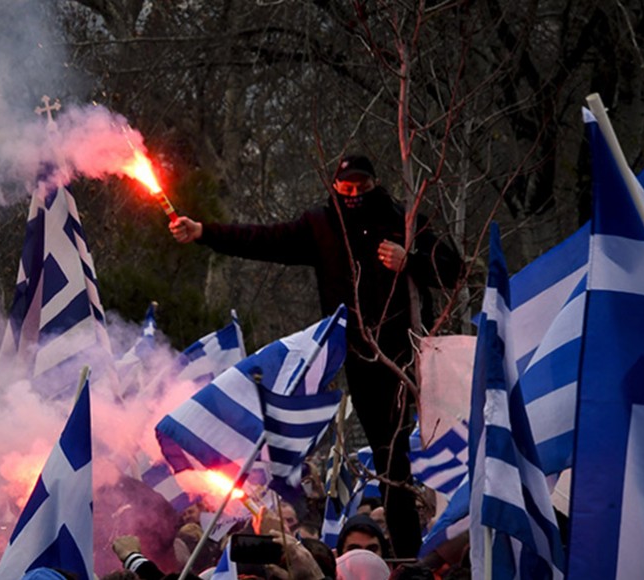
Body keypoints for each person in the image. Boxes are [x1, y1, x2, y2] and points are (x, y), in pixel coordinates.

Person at [170, 155, 462, 557]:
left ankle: (449, 537)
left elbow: (454, 269)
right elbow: (262, 240)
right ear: (336, 188)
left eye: (362, 188)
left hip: (411, 355)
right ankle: (408, 556)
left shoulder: (403, 217)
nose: (355, 195)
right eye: (347, 189)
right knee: (390, 461)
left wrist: (408, 260)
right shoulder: (321, 225)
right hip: (361, 358)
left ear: (376, 184)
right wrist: (204, 231)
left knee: (437, 449)